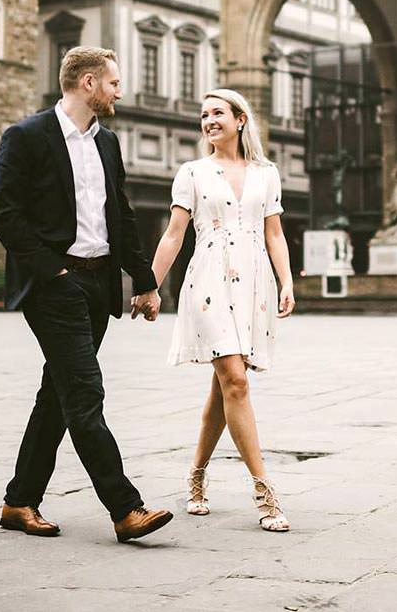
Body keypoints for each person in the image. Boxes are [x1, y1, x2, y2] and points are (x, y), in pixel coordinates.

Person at [0, 46, 172, 543]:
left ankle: (18, 502)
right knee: (86, 393)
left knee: (59, 395)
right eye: (113, 82)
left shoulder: (107, 142)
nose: (119, 90)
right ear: (88, 83)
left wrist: (146, 281)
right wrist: (55, 273)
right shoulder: (26, 137)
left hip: (98, 285)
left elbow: (123, 218)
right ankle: (125, 508)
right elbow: (5, 215)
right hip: (56, 286)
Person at [147, 88, 295, 532]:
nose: (208, 120)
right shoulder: (192, 172)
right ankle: (265, 492)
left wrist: (287, 280)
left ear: (240, 119)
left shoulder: (267, 174)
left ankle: (196, 475)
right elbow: (174, 235)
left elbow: (275, 234)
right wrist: (150, 285)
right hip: (208, 279)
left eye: (217, 113)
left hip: (254, 283)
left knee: (225, 385)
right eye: (204, 115)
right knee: (235, 379)